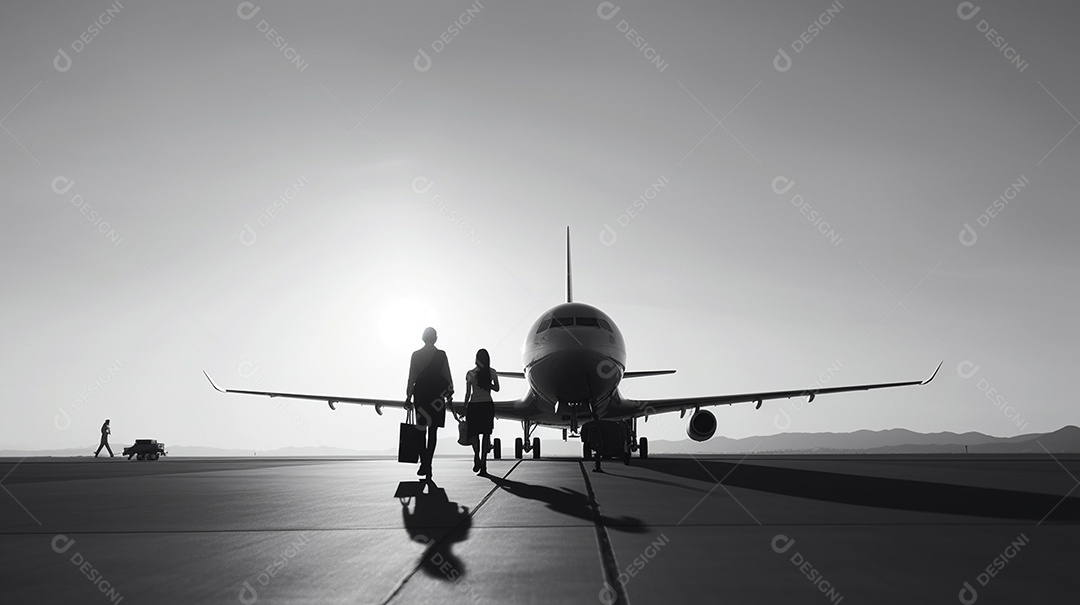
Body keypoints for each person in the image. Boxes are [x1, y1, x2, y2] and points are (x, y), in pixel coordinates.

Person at [406, 327, 453, 479]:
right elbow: (447, 375)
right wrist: (449, 394)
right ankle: (428, 464)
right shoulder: (441, 355)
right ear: (435, 338)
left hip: (421, 395)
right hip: (436, 396)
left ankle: (424, 463)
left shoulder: (416, 355)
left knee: (421, 431)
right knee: (433, 432)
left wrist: (408, 396)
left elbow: (412, 376)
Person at [464, 349, 499, 475]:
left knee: (474, 435)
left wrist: (464, 407)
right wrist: (487, 384)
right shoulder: (492, 372)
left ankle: (476, 456)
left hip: (474, 406)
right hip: (487, 406)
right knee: (486, 435)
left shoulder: (470, 373)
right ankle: (484, 464)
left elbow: (468, 393)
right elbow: (497, 388)